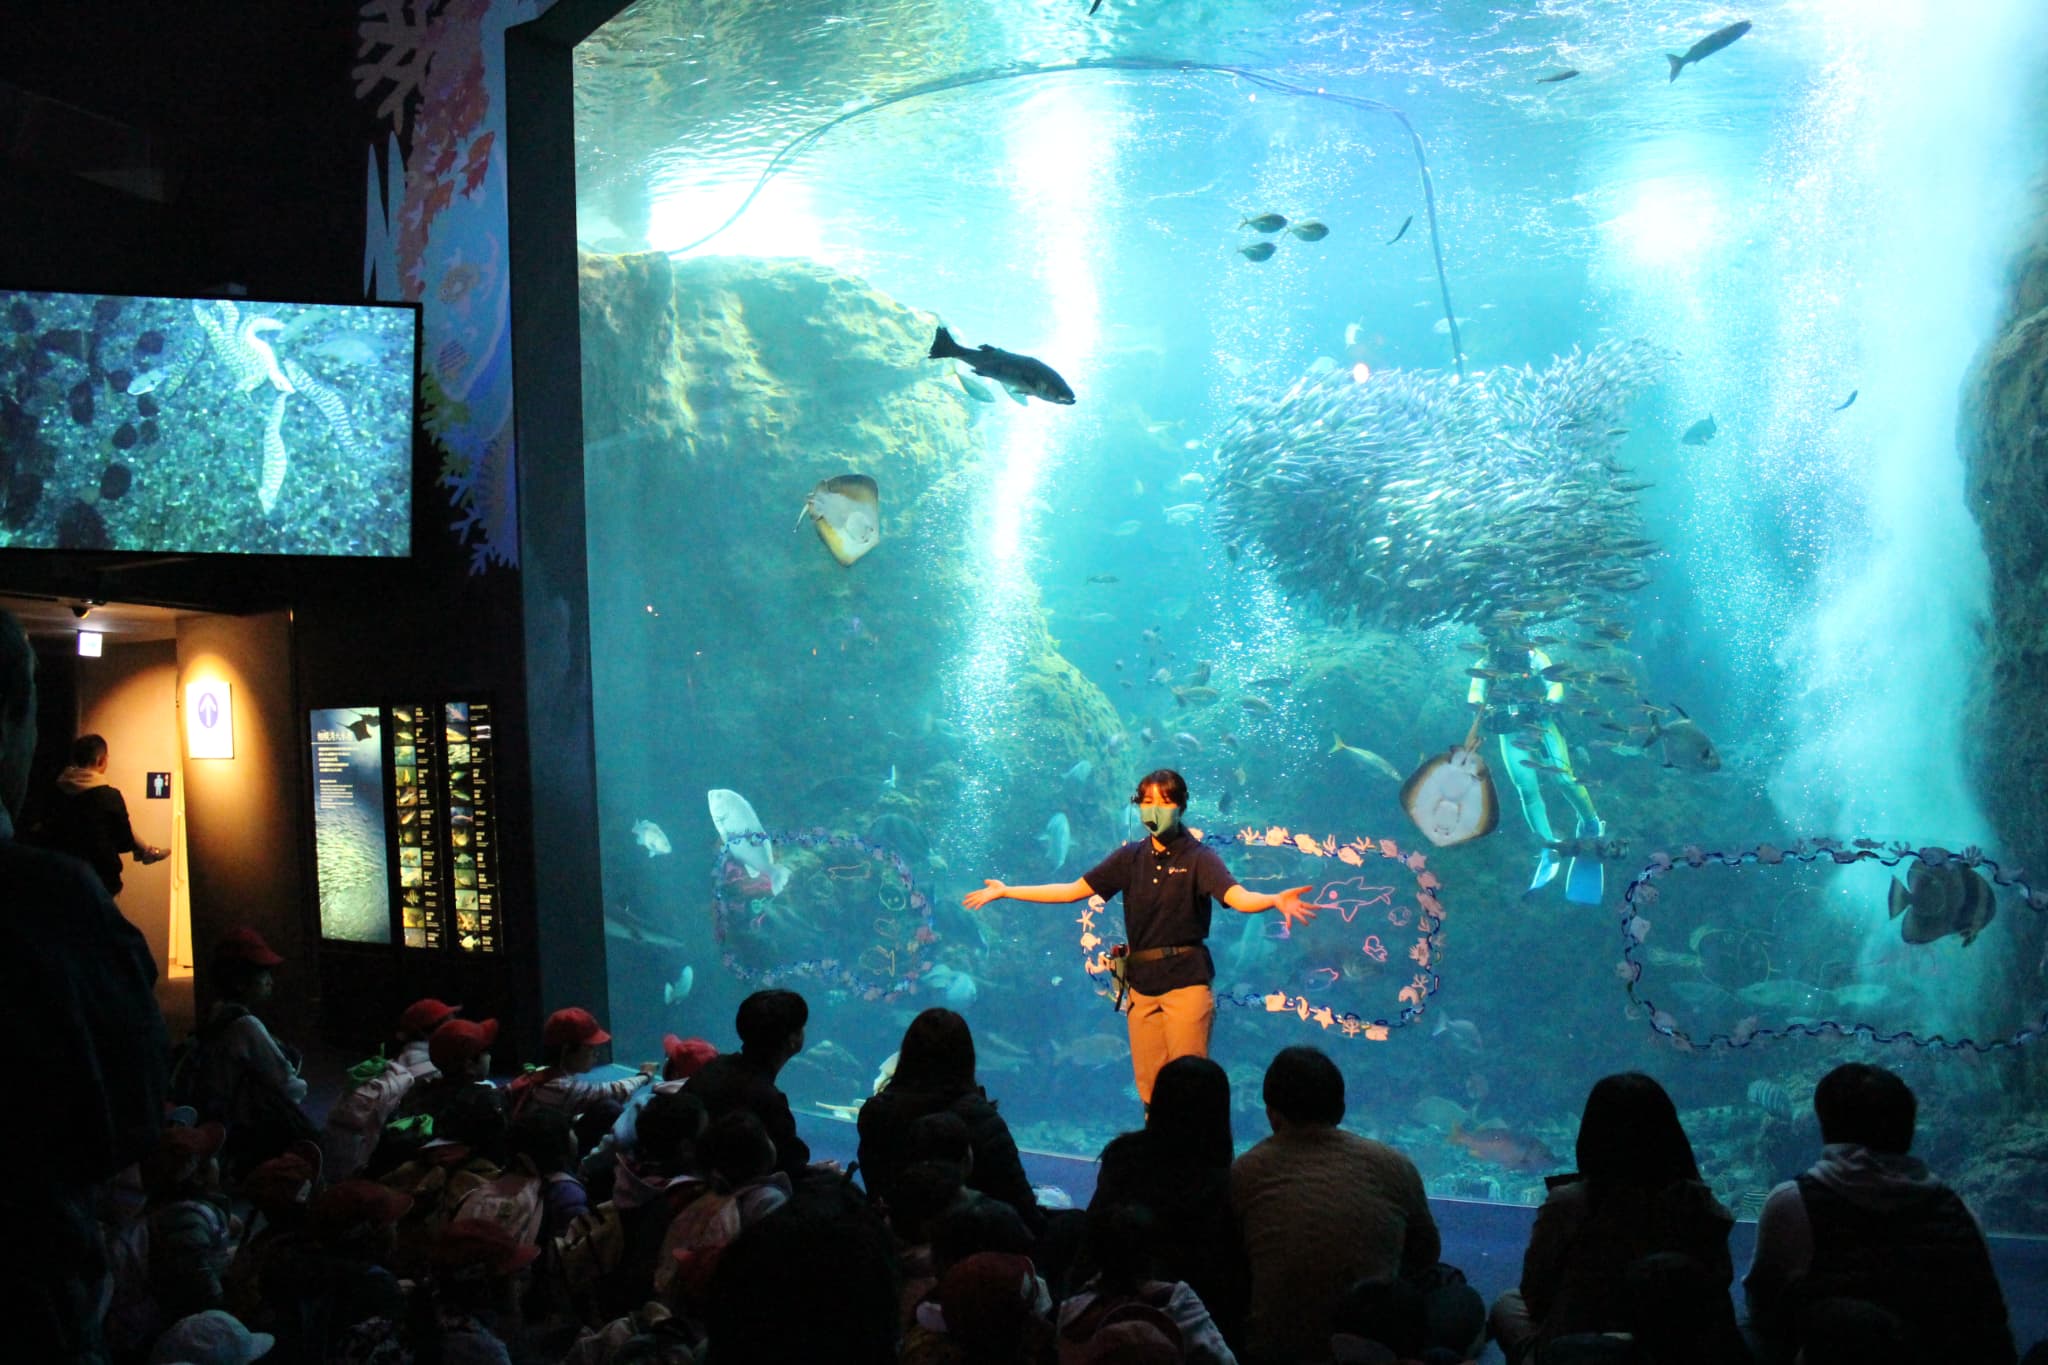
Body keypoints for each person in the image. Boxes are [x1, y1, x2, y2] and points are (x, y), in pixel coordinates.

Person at [0, 607, 170, 1364]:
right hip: (30, 1287)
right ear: (12, 719)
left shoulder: (57, 809)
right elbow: (132, 1111)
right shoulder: (56, 906)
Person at [963, 770, 1315, 1107]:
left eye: (1163, 802)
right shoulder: (1129, 858)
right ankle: (1156, 1143)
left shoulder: (1200, 858)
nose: (1153, 810)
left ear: (1180, 806)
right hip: (1142, 986)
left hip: (1186, 982)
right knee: (1149, 1087)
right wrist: (1007, 891)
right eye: (1146, 802)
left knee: (1190, 1083)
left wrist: (1273, 899)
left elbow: (1238, 897)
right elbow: (1071, 891)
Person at [1743, 1062, 2015, 1364]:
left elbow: (1762, 1309)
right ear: (1908, 1129)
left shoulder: (1792, 1203)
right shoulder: (1961, 1213)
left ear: (1825, 1128)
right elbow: (1992, 1324)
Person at [1488, 1072, 1742, 1364]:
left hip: (1577, 1346)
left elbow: (1535, 1293)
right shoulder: (1700, 1203)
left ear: (1592, 1135)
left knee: (1506, 1305)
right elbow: (1719, 1282)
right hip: (1674, 1346)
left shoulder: (1568, 1204)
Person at [1229, 1046, 1448, 1365]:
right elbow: (1427, 1253)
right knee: (1454, 1289)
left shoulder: (1245, 1171)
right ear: (1341, 1109)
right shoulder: (1394, 1165)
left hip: (1273, 1352)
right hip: (1375, 1348)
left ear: (1271, 1113)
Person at [1090, 1055, 1250, 1352]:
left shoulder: (1122, 1156)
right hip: (1197, 1325)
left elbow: (1094, 1230)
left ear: (1158, 1102)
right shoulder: (1222, 1181)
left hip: (1111, 1311)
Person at [860, 1007, 1044, 1237]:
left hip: (891, 1244)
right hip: (973, 1247)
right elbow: (1022, 1207)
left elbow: (877, 1190)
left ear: (906, 1055)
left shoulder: (876, 1114)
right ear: (967, 1059)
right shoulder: (981, 1120)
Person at [1469, 637, 1606, 904]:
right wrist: (1483, 710)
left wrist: (1548, 704)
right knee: (1526, 789)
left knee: (1564, 780)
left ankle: (1590, 823)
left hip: (1542, 725)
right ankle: (1547, 845)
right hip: (1510, 732)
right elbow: (1475, 692)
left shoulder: (1535, 657)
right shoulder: (1484, 664)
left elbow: (1555, 685)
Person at [182, 927, 317, 1176]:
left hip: (216, 1122)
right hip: (244, 1131)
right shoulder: (246, 1026)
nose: (270, 980)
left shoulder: (216, 1013)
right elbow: (289, 1086)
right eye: (263, 973)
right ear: (240, 982)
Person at [686, 989, 816, 1178]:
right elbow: (789, 1167)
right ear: (792, 1040)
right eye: (801, 1027)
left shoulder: (713, 1067)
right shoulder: (769, 1101)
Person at [29, 731, 169, 897]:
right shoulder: (109, 796)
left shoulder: (55, 790)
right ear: (101, 761)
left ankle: (146, 851)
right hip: (101, 878)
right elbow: (124, 841)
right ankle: (146, 851)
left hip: (60, 875)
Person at [507, 1007, 656, 1123]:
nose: (596, 1054)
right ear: (567, 1050)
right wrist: (645, 1075)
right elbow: (615, 1091)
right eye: (590, 1048)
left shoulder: (541, 1073)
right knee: (609, 1109)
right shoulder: (562, 1088)